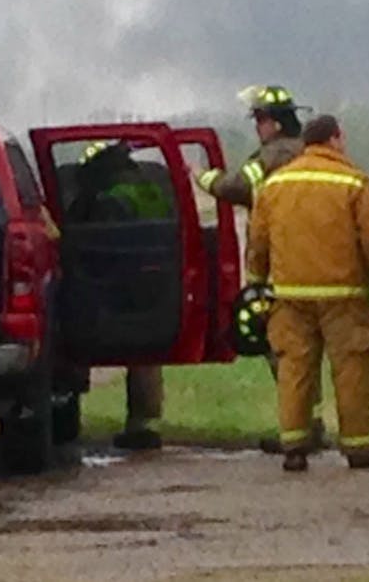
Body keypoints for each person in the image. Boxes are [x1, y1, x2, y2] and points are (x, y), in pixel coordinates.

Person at [244, 114, 369, 472]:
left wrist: (256, 281)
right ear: (334, 139)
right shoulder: (352, 181)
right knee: (352, 369)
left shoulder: (277, 183)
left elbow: (258, 240)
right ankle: (359, 449)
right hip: (343, 296)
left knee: (294, 369)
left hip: (290, 295)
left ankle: (295, 447)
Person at [194, 84, 325, 454]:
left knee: (283, 348)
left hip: (279, 266)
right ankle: (312, 424)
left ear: (278, 124)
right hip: (315, 261)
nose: (259, 128)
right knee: (311, 349)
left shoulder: (268, 158)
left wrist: (202, 176)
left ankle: (298, 432)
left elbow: (234, 187)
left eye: (262, 120)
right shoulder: (311, 153)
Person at [72, 141, 175, 451]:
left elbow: (98, 243)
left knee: (84, 339)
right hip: (158, 277)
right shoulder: (152, 189)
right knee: (147, 355)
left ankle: (138, 428)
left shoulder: (113, 198)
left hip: (124, 279)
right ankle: (145, 424)